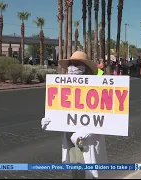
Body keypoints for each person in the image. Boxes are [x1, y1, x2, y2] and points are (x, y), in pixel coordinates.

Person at [41, 51, 107, 179]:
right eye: (70, 64)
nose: (71, 68)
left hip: (85, 139)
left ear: (84, 68)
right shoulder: (65, 88)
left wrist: (89, 132)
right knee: (75, 170)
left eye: (76, 64)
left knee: (85, 171)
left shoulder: (96, 89)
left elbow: (103, 116)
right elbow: (60, 109)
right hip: (70, 135)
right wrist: (50, 121)